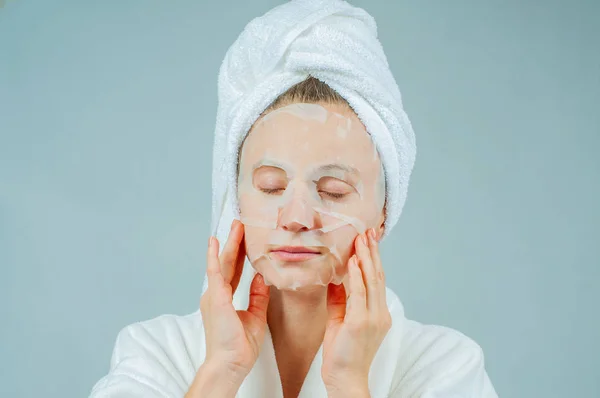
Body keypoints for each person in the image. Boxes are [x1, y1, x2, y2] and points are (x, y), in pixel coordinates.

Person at [90, 1, 498, 397]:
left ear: (384, 216)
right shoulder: (157, 353)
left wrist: (349, 384)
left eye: (333, 191)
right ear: (237, 202)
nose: (297, 217)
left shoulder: (444, 366)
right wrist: (222, 370)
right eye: (270, 186)